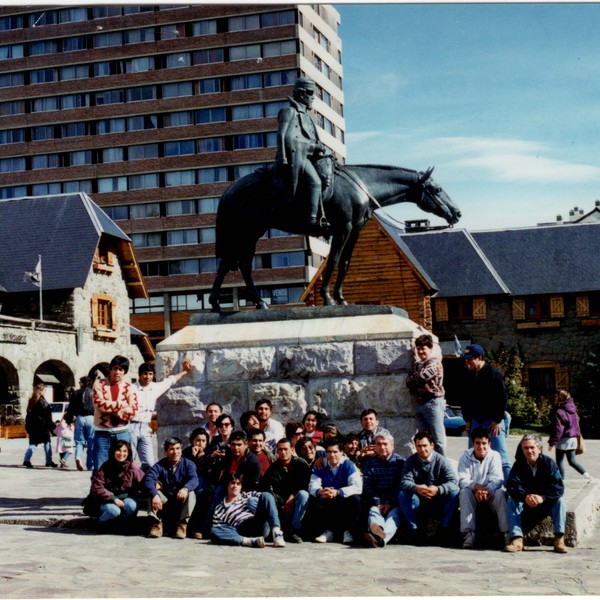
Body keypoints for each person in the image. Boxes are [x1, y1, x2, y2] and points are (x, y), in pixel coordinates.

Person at [275, 75, 330, 236]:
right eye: (310, 92)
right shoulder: (289, 111)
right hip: (297, 157)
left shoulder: (307, 116)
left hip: (308, 156)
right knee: (315, 182)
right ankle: (311, 221)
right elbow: (286, 137)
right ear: (300, 94)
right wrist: (312, 146)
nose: (313, 97)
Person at [504, 434, 567, 554]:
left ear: (540, 449)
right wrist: (525, 496)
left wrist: (543, 497)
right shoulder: (519, 465)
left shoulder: (549, 463)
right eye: (526, 448)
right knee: (511, 500)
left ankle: (559, 539)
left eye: (532, 447)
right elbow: (512, 485)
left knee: (560, 501)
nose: (529, 451)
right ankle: (516, 538)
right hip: (526, 503)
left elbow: (558, 487)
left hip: (545, 503)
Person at [130, 359, 192, 471]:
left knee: (149, 463)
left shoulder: (155, 387)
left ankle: (146, 486)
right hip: (131, 426)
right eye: (145, 374)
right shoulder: (131, 388)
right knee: (129, 461)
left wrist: (185, 371)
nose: (148, 377)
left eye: (150, 374)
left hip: (145, 427)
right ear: (139, 375)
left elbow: (171, 380)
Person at [399, 431, 459, 545]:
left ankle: (444, 529)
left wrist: (438, 489)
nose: (422, 449)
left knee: (454, 494)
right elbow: (404, 481)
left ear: (432, 445)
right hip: (418, 497)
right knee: (403, 494)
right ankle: (414, 530)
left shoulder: (441, 460)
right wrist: (416, 487)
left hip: (437, 497)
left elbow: (453, 481)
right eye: (419, 446)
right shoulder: (411, 461)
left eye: (425, 445)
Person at [461, 344, 511, 480]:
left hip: (493, 420)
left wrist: (498, 420)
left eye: (470, 359)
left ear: (480, 358)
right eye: (466, 359)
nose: (467, 362)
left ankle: (512, 492)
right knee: (472, 454)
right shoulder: (469, 375)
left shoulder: (494, 374)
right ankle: (473, 487)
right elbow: (466, 399)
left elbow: (502, 398)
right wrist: (468, 420)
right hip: (476, 419)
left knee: (501, 457)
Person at [457, 427, 509, 549]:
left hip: (490, 494)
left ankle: (507, 533)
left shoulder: (495, 456)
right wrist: (476, 487)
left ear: (489, 443)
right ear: (473, 443)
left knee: (501, 494)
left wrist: (485, 490)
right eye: (477, 443)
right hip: (473, 494)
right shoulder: (465, 456)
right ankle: (468, 534)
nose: (481, 447)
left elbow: (498, 480)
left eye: (484, 443)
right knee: (464, 492)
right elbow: (462, 479)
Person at [308, 437, 363, 544]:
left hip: (343, 498)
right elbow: (312, 484)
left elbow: (357, 487)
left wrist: (338, 492)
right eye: (329, 452)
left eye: (335, 452)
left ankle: (349, 531)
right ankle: (328, 532)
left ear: (342, 452)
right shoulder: (321, 464)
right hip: (327, 497)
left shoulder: (348, 465)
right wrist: (321, 491)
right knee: (314, 498)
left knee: (356, 499)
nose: (332, 455)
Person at [143, 437, 199, 539]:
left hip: (180, 499)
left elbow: (194, 479)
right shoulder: (159, 465)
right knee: (152, 492)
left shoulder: (188, 464)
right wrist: (155, 494)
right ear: (165, 452)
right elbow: (148, 480)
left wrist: (185, 488)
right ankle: (157, 525)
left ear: (181, 450)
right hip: (165, 501)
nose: (175, 452)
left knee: (191, 494)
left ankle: (182, 525)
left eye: (178, 449)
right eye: (171, 449)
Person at [210, 474, 286, 548]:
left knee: (266, 495)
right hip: (240, 530)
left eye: (238, 484)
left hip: (257, 522)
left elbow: (268, 499)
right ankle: (248, 541)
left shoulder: (248, 495)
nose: (235, 486)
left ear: (241, 487)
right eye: (232, 483)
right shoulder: (219, 508)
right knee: (214, 530)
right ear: (227, 486)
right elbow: (220, 528)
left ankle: (277, 533)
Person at [92, 355, 138, 474]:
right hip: (102, 431)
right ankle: (97, 491)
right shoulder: (99, 383)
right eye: (115, 368)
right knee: (100, 465)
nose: (117, 372)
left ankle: (123, 490)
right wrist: (121, 404)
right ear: (110, 369)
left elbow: (133, 410)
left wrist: (117, 411)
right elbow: (99, 404)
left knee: (124, 464)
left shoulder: (129, 387)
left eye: (121, 369)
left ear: (125, 372)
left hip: (122, 431)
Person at [261, 438, 312, 543]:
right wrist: (282, 502)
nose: (283, 452)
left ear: (292, 450)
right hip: (281, 505)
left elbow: (306, 484)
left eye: (286, 449)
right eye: (280, 449)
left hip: (297, 502)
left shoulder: (301, 464)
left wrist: (292, 497)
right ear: (277, 451)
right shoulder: (273, 468)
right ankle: (276, 528)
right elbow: (268, 488)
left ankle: (294, 530)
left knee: (303, 494)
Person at [89, 440, 145, 532]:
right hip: (107, 500)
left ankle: (124, 525)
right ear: (113, 451)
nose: (121, 454)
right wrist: (113, 498)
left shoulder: (132, 468)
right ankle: (101, 523)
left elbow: (144, 480)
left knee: (132, 506)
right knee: (113, 511)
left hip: (126, 500)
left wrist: (156, 484)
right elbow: (97, 487)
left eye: (125, 451)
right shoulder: (105, 467)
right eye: (118, 450)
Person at [406, 333, 447, 456]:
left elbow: (422, 377)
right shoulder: (417, 365)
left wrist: (415, 378)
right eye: (418, 349)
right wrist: (416, 379)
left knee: (438, 438)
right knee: (424, 439)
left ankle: (442, 466)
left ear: (430, 348)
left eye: (423, 348)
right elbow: (408, 382)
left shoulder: (434, 362)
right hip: (419, 403)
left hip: (433, 402)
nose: (420, 352)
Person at [361, 432, 405, 548]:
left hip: (394, 502)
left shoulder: (401, 463)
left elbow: (401, 486)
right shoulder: (369, 463)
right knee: (373, 511)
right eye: (379, 444)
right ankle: (380, 536)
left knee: (395, 515)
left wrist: (390, 503)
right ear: (375, 447)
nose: (382, 447)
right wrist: (378, 502)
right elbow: (368, 485)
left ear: (392, 446)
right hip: (377, 501)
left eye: (385, 444)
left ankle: (378, 537)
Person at [548, 390, 590, 480]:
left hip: (563, 440)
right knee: (572, 461)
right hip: (573, 439)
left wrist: (552, 443)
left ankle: (561, 481)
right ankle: (586, 475)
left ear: (559, 398)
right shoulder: (574, 409)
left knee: (559, 462)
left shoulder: (559, 411)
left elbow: (558, 429)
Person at [64, 376, 95, 471]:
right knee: (91, 442)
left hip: (80, 417)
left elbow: (70, 408)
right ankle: (90, 464)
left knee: (79, 441)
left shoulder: (76, 393)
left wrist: (69, 420)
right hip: (91, 418)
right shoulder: (94, 393)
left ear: (82, 383)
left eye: (80, 382)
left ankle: (78, 457)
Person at [23, 384, 57, 468]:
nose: (45, 391)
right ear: (40, 391)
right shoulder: (43, 401)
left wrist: (28, 426)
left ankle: (26, 460)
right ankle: (48, 461)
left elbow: (28, 415)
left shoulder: (32, 400)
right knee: (47, 443)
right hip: (42, 426)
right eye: (44, 390)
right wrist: (52, 426)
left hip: (33, 426)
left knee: (33, 443)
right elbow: (47, 415)